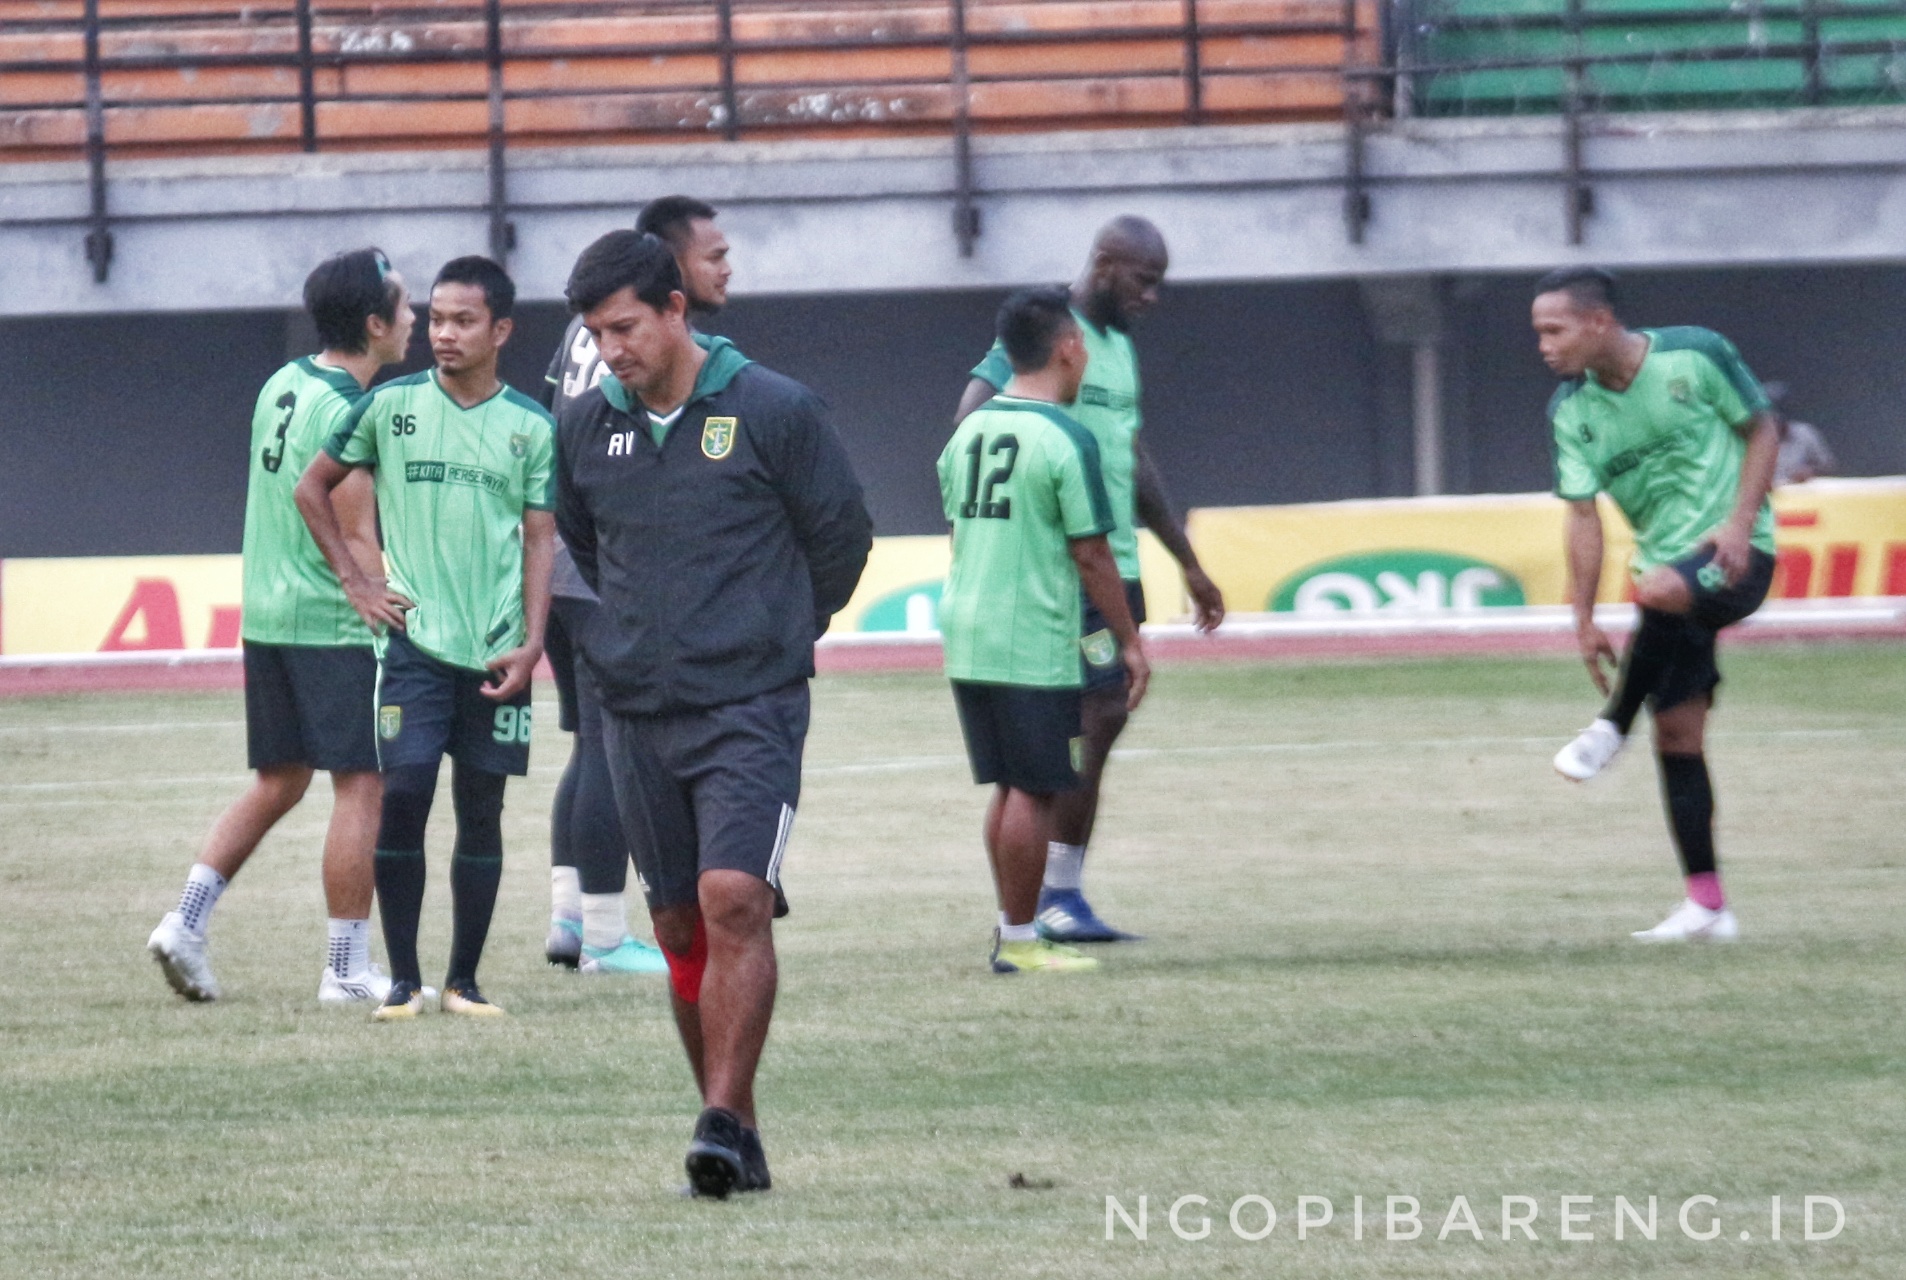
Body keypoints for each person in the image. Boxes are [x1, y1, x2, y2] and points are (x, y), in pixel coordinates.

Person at [555, 230, 870, 1198]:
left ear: (675, 310)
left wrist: (772, 629)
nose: (612, 350)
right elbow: (583, 543)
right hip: (634, 711)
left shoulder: (775, 408)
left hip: (751, 703)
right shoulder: (583, 427)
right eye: (598, 333)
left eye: (626, 327)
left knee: (736, 894)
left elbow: (840, 540)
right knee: (680, 922)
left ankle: (719, 1117)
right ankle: (735, 1131)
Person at [147, 248, 414, 1005]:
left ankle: (186, 922)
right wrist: (413, 609)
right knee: (364, 785)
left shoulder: (283, 382)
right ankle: (346, 969)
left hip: (267, 612)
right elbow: (358, 539)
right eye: (404, 306)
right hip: (331, 622)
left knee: (280, 780)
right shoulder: (353, 411)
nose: (416, 318)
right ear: (374, 323)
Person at [296, 255, 557, 1018]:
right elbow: (312, 488)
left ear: (501, 330)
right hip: (412, 645)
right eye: (436, 318)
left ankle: (463, 982)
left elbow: (542, 540)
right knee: (404, 793)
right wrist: (356, 580)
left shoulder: (531, 427)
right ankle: (404, 982)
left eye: (463, 320)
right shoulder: (389, 406)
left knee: (483, 808)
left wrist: (535, 639)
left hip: (497, 648)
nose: (443, 333)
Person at [955, 215, 1222, 945]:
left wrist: (1187, 561)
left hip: (1117, 569)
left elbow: (1131, 460)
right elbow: (975, 417)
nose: (1152, 297)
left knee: (1098, 725)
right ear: (1105, 264)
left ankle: (1059, 896)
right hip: (1066, 571)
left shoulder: (1120, 350)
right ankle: (1034, 906)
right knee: (1058, 740)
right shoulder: (1050, 332)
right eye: (1144, 280)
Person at [1536, 267, 1778, 943]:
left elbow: (1762, 431)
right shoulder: (1570, 413)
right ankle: (1707, 906)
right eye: (1538, 333)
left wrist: (1736, 525)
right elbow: (1583, 517)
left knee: (1662, 590)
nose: (1544, 346)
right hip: (1666, 592)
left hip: (1737, 554)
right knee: (1678, 737)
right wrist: (1582, 618)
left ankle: (1610, 725)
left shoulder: (1694, 353)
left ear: (1598, 322)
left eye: (1553, 330)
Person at [539, 196, 729, 974]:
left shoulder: (578, 332)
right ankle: (607, 937)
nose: (727, 265)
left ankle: (569, 918)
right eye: (713, 254)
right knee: (607, 745)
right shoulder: (676, 353)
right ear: (671, 272)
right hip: (604, 561)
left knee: (588, 745)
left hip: (556, 556)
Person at [940, 288, 1151, 976]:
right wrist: (1128, 642)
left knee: (1009, 786)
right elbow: (1092, 554)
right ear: (1067, 348)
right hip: (1033, 636)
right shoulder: (1065, 437)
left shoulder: (967, 433)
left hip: (969, 634)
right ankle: (1024, 942)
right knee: (1033, 788)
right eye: (1082, 344)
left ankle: (1016, 930)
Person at [1764, 382, 1838, 486]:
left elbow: (1829, 466)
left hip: (1799, 495)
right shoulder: (1752, 438)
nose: (1776, 422)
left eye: (1779, 416)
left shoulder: (1804, 432)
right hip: (1765, 496)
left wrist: (1810, 471)